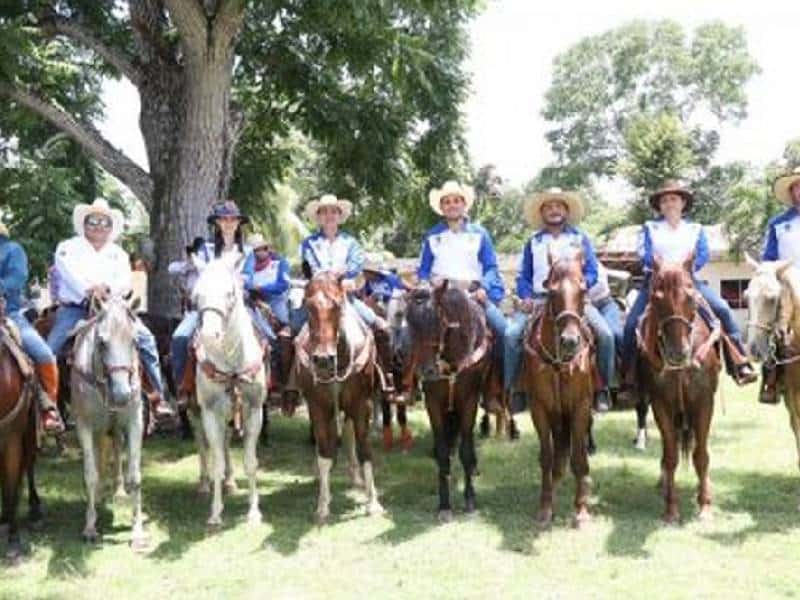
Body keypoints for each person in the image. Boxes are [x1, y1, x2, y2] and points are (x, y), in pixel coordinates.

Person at [619, 180, 756, 400]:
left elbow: (702, 255)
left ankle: (739, 362)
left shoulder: (695, 229)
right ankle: (629, 378)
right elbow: (644, 253)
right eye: (664, 200)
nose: (669, 203)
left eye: (674, 199)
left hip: (688, 282)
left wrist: (683, 270)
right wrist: (663, 269)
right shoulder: (649, 228)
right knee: (631, 324)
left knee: (722, 309)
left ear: (683, 203)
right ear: (660, 206)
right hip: (656, 284)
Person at [46, 199, 173, 419]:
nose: (98, 226)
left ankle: (157, 396)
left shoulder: (119, 254)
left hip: (112, 308)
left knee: (146, 340)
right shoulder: (67, 248)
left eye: (104, 222)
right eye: (93, 221)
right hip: (77, 308)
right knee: (50, 349)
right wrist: (89, 289)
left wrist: (107, 288)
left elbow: (125, 282)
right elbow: (67, 272)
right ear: (84, 224)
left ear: (110, 226)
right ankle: (48, 404)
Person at [503, 187, 613, 409]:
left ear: (566, 210)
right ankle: (515, 389)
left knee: (606, 335)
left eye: (558, 206)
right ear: (542, 213)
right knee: (511, 335)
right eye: (549, 207)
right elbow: (524, 275)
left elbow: (591, 271)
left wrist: (581, 288)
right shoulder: (533, 242)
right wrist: (525, 296)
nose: (554, 210)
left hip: (574, 300)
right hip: (540, 298)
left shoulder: (580, 238)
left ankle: (602, 388)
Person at [289, 194, 396, 399]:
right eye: (324, 212)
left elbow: (356, 264)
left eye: (333, 211)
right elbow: (309, 265)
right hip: (318, 298)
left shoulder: (350, 242)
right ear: (319, 217)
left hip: (345, 297)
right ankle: (291, 384)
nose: (329, 216)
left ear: (339, 216)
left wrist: (345, 276)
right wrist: (328, 278)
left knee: (380, 326)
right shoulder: (309, 243)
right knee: (290, 330)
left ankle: (385, 376)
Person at [170, 200, 252, 389]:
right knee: (180, 337)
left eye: (233, 219)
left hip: (240, 305)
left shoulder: (247, 251)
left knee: (269, 337)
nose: (229, 223)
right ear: (217, 223)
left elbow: (249, 276)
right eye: (224, 219)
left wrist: (240, 281)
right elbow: (201, 274)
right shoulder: (205, 249)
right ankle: (182, 385)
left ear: (239, 222)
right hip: (209, 305)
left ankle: (267, 389)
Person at [0, 221, 65, 433]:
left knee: (44, 353)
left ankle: (49, 408)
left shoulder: (12, 250)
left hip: (7, 314)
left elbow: (16, 279)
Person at [759, 167, 800, 402]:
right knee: (769, 328)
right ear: (791, 191)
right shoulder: (778, 223)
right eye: (797, 187)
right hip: (786, 284)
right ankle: (771, 381)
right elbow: (769, 257)